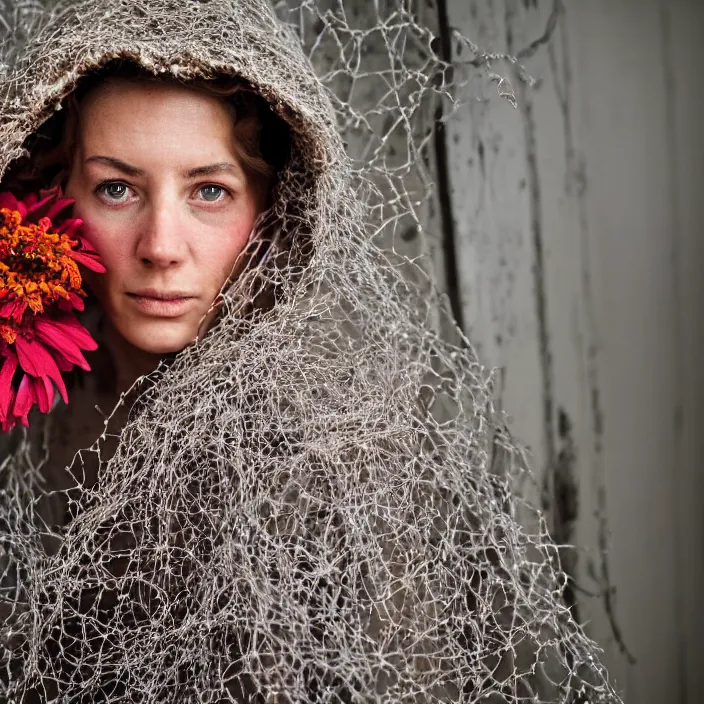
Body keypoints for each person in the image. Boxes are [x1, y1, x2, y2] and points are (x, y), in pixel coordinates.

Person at [0, 0, 622, 701]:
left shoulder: (329, 459)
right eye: (117, 188)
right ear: (52, 195)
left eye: (210, 191)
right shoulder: (35, 401)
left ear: (276, 206)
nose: (162, 248)